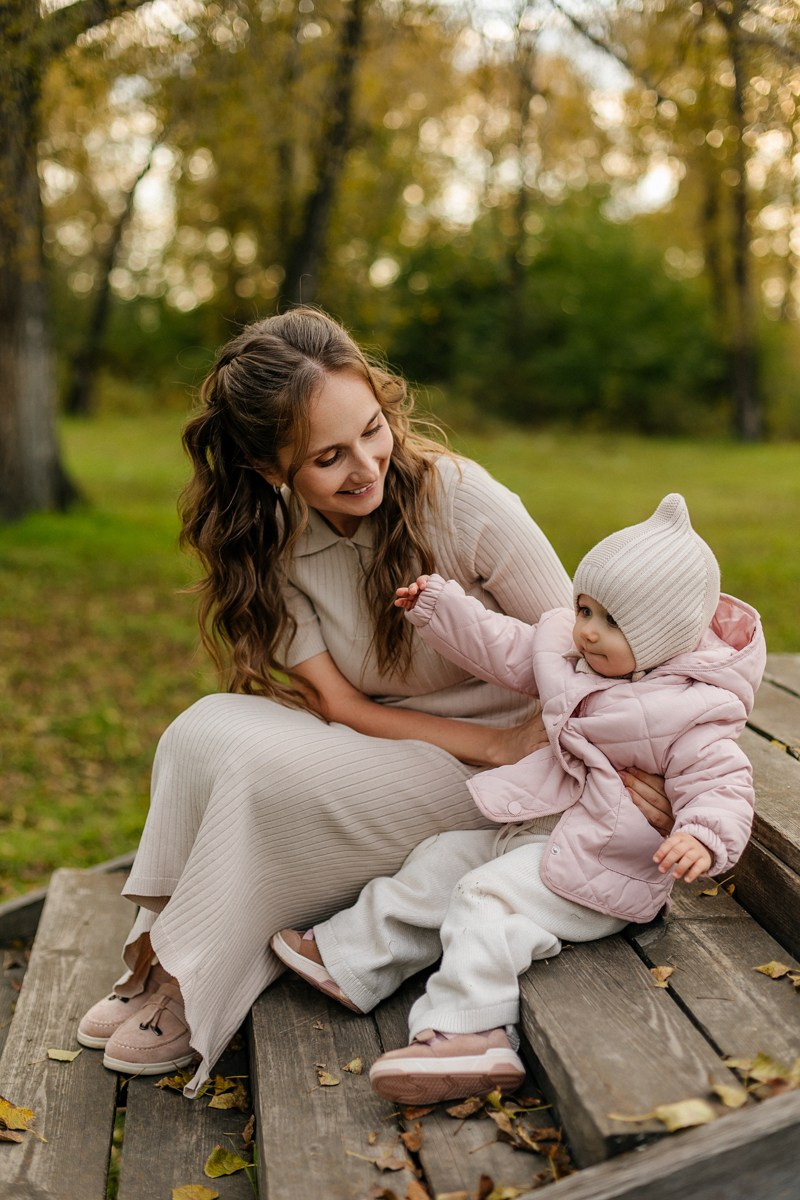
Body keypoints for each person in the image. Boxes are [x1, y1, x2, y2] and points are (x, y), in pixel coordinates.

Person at [77, 306, 671, 1098]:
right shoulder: (276, 538)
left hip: (517, 774)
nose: (365, 465)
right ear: (269, 469)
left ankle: (192, 980)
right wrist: (475, 744)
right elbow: (340, 704)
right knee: (196, 731)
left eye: (371, 430)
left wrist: (615, 773)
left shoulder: (465, 503)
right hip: (404, 744)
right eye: (328, 457)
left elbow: (587, 653)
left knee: (264, 782)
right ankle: (160, 953)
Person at [270, 494, 766, 1104]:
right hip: (543, 834)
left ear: (661, 637)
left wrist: (701, 836)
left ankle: (470, 1030)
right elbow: (505, 645)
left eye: (611, 622)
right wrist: (440, 607)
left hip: (603, 871)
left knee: (486, 896)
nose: (586, 629)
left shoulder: (693, 712)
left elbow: (722, 785)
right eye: (584, 608)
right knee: (441, 858)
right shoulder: (577, 655)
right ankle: (351, 958)